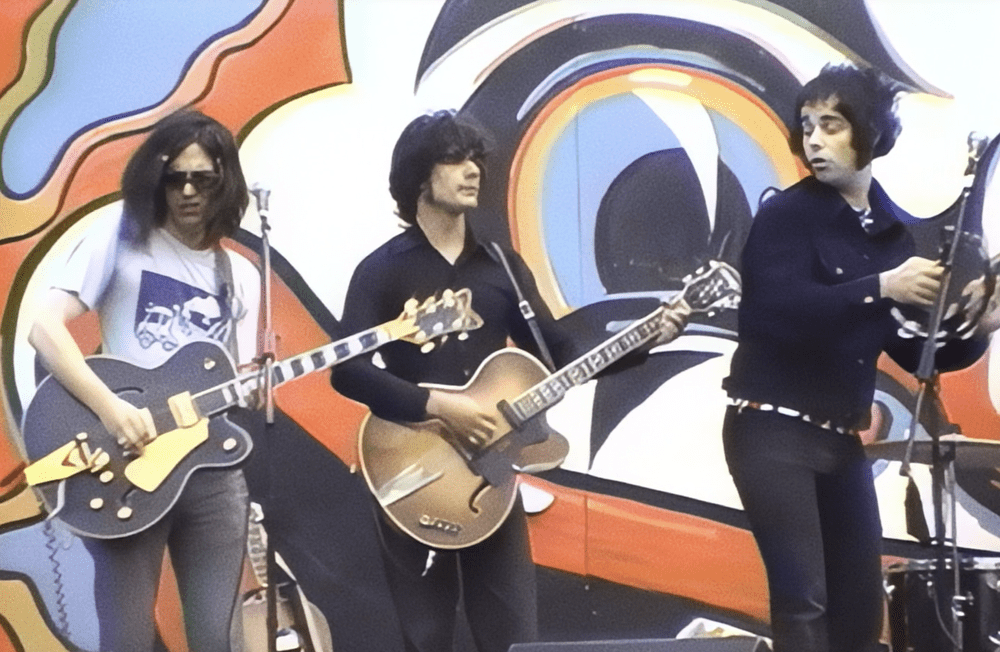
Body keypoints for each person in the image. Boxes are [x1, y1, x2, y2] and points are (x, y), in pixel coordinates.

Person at [332, 110, 688, 652]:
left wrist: (644, 340)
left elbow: (560, 355)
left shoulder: (501, 267)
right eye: (454, 158)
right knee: (425, 638)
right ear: (419, 176)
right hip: (410, 469)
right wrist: (438, 405)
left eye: (475, 158)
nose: (473, 169)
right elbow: (347, 371)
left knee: (513, 636)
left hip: (490, 480)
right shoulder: (381, 270)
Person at [721, 63, 997, 652]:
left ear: (869, 133)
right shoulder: (786, 214)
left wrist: (978, 327)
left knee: (860, 610)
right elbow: (773, 314)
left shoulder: (889, 232)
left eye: (832, 125)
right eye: (807, 126)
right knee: (803, 600)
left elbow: (914, 353)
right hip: (770, 430)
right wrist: (881, 286)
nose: (814, 141)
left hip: (841, 439)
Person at [28, 109, 260, 652]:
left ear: (225, 181)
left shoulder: (241, 275)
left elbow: (241, 378)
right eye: (174, 178)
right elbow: (44, 327)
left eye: (202, 179)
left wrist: (255, 387)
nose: (187, 191)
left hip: (210, 472)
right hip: (128, 462)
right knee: (127, 638)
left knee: (218, 639)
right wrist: (112, 410)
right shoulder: (121, 235)